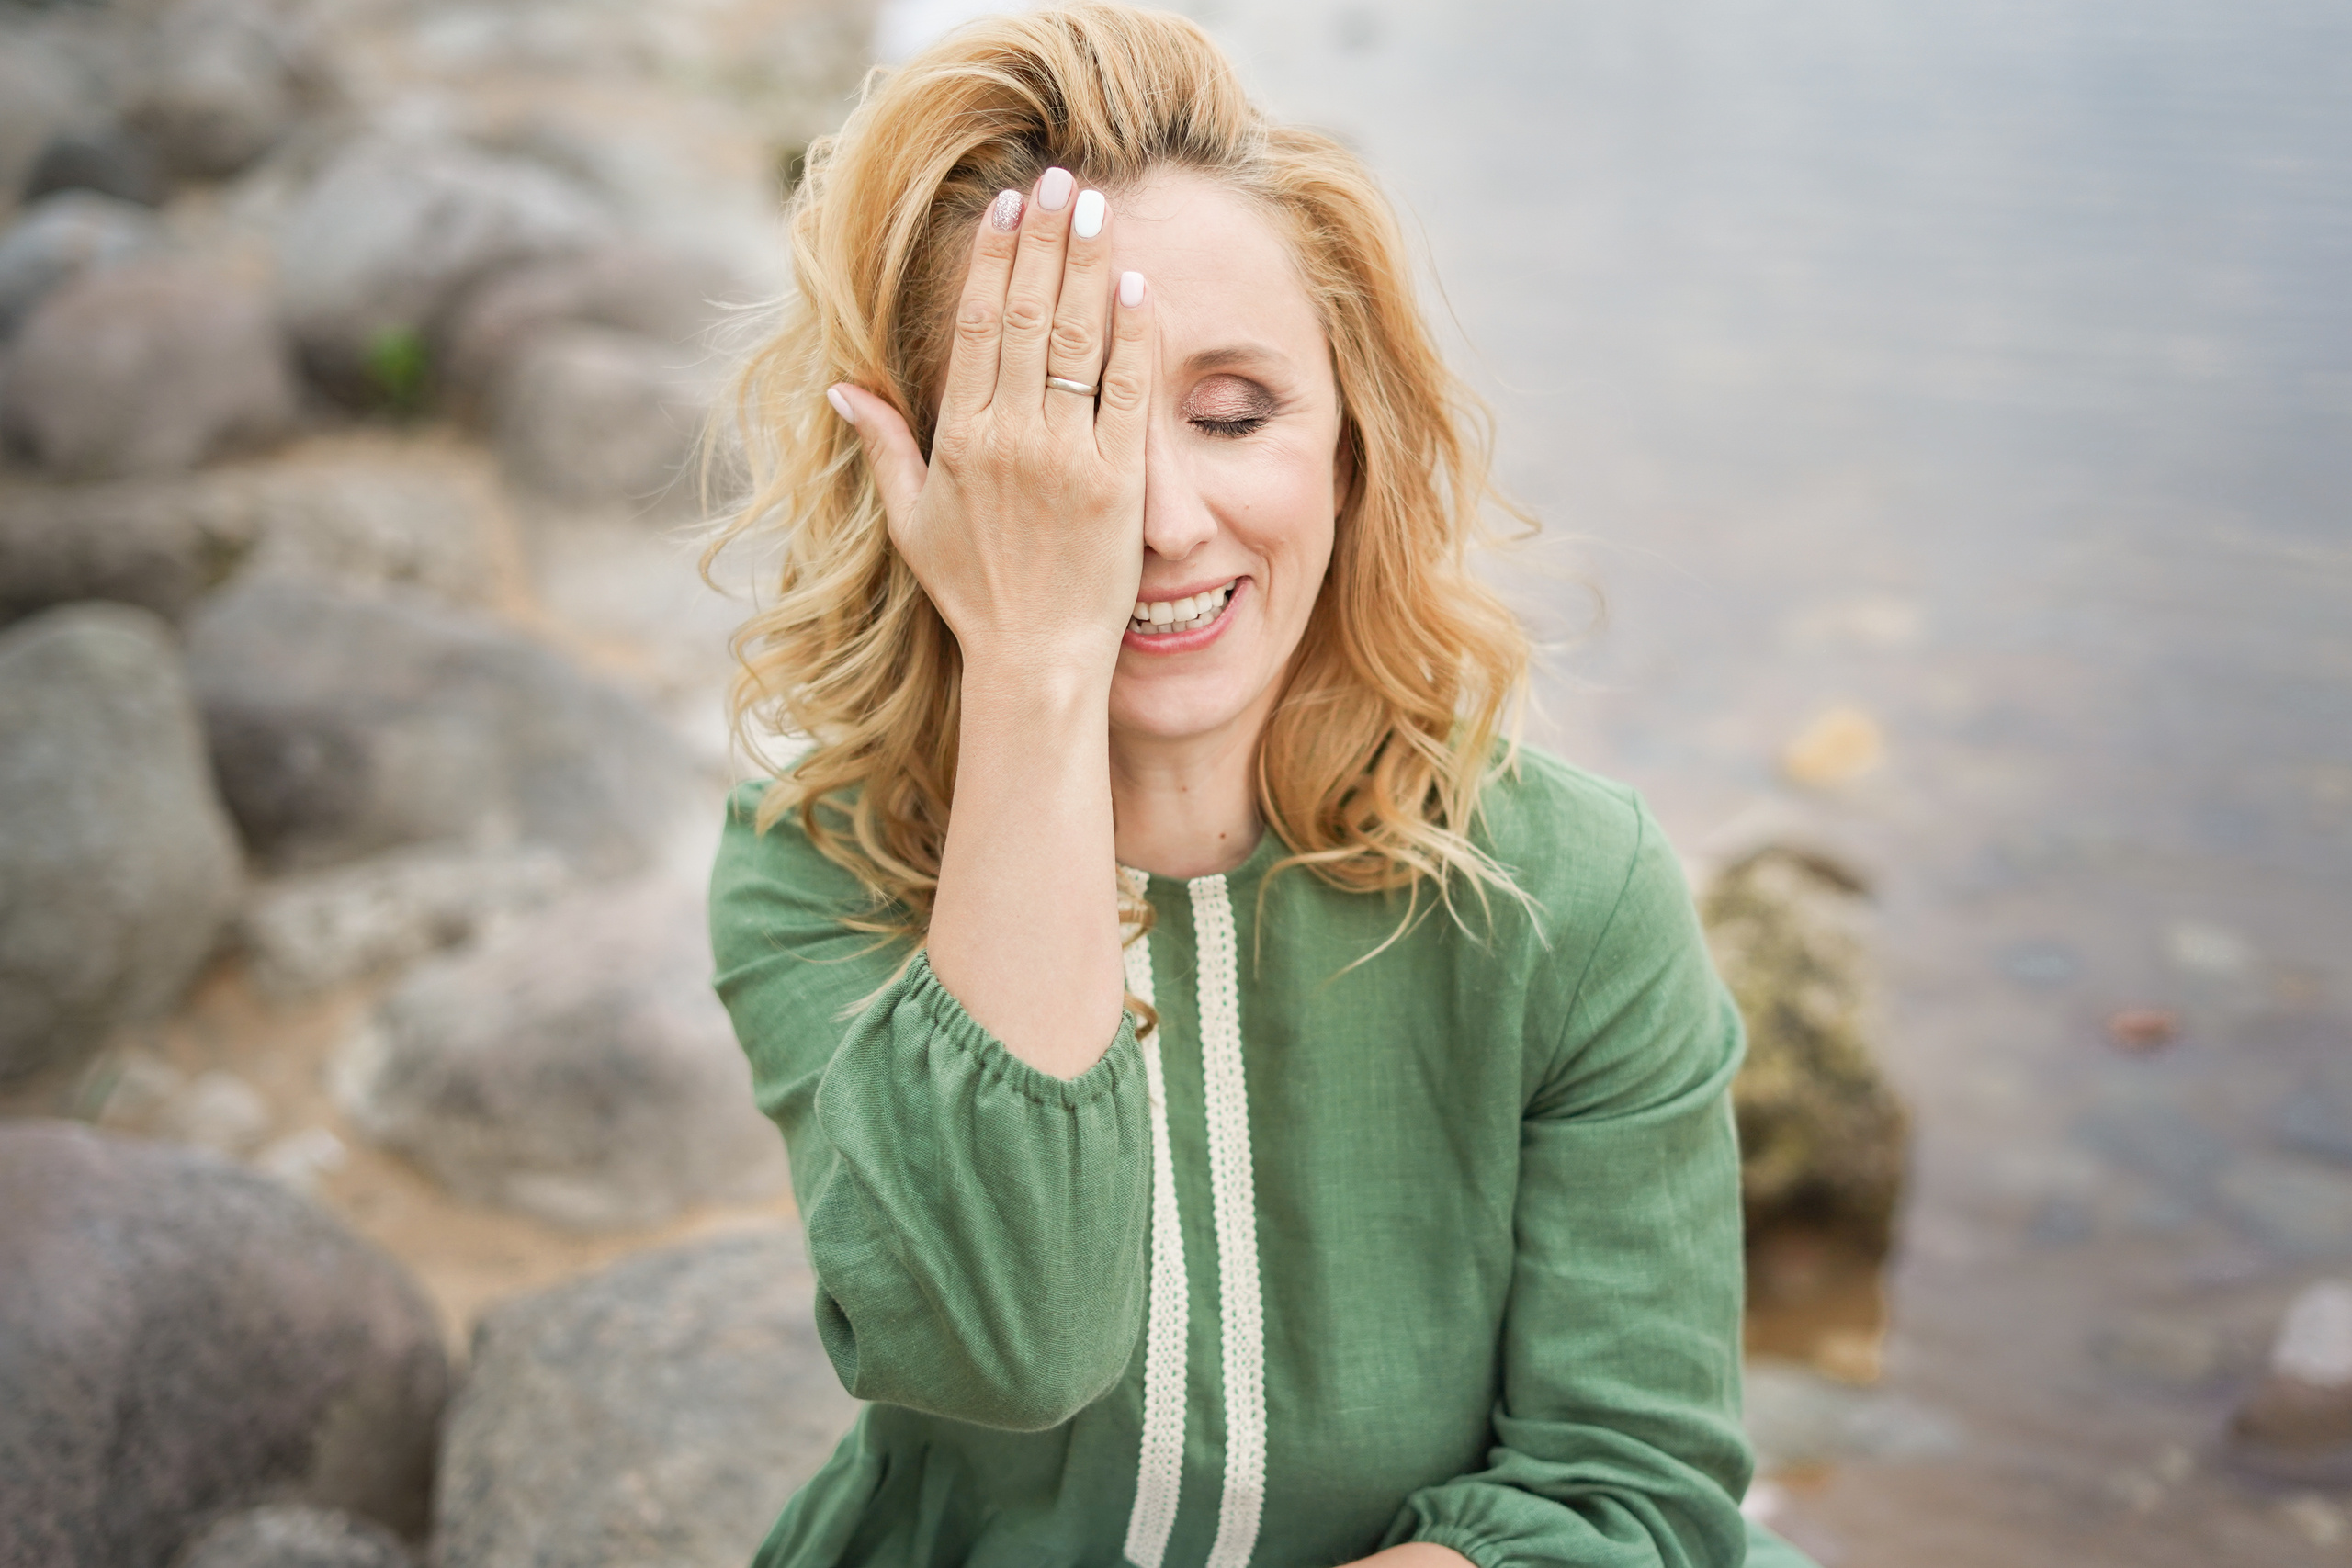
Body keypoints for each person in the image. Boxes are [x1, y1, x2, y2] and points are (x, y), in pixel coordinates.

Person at [707, 6, 1817, 1565]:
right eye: (1060, 430)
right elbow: (1004, 1347)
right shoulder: (820, 864)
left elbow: (1629, 1490)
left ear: (1353, 442)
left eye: (1234, 414)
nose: (1158, 517)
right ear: (926, 486)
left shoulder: (1575, 887)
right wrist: (1030, 674)